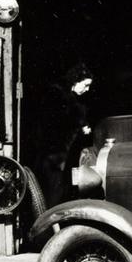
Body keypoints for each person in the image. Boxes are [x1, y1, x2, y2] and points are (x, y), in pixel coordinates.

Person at [40, 63, 95, 205]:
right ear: (75, 81)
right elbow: (56, 124)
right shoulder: (58, 96)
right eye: (85, 85)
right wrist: (79, 127)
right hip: (54, 156)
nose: (87, 89)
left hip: (66, 155)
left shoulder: (76, 99)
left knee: (64, 190)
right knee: (54, 191)